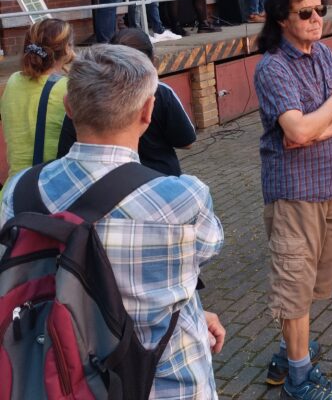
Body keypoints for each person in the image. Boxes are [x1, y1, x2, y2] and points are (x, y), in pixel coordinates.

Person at [2, 44, 226, 397]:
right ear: (148, 111)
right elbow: (199, 256)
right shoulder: (183, 198)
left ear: (69, 108)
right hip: (166, 381)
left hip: (60, 376)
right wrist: (192, 316)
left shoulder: (20, 192)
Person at [253, 0, 332, 398]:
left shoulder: (322, 53)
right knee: (294, 286)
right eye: (306, 13)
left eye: (320, 10)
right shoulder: (273, 67)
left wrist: (318, 127)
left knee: (313, 281)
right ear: (282, 18)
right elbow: (295, 127)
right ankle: (298, 380)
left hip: (331, 183)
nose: (317, 19)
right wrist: (331, 109)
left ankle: (288, 350)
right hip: (295, 193)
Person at [58, 28, 196, 177]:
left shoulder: (83, 91)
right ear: (147, 109)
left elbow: (65, 148)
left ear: (69, 106)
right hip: (159, 175)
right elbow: (186, 141)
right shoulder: (161, 92)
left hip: (92, 179)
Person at [1, 18, 74, 181]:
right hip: (51, 189)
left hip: (13, 189)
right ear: (67, 49)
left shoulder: (13, 81)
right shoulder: (69, 87)